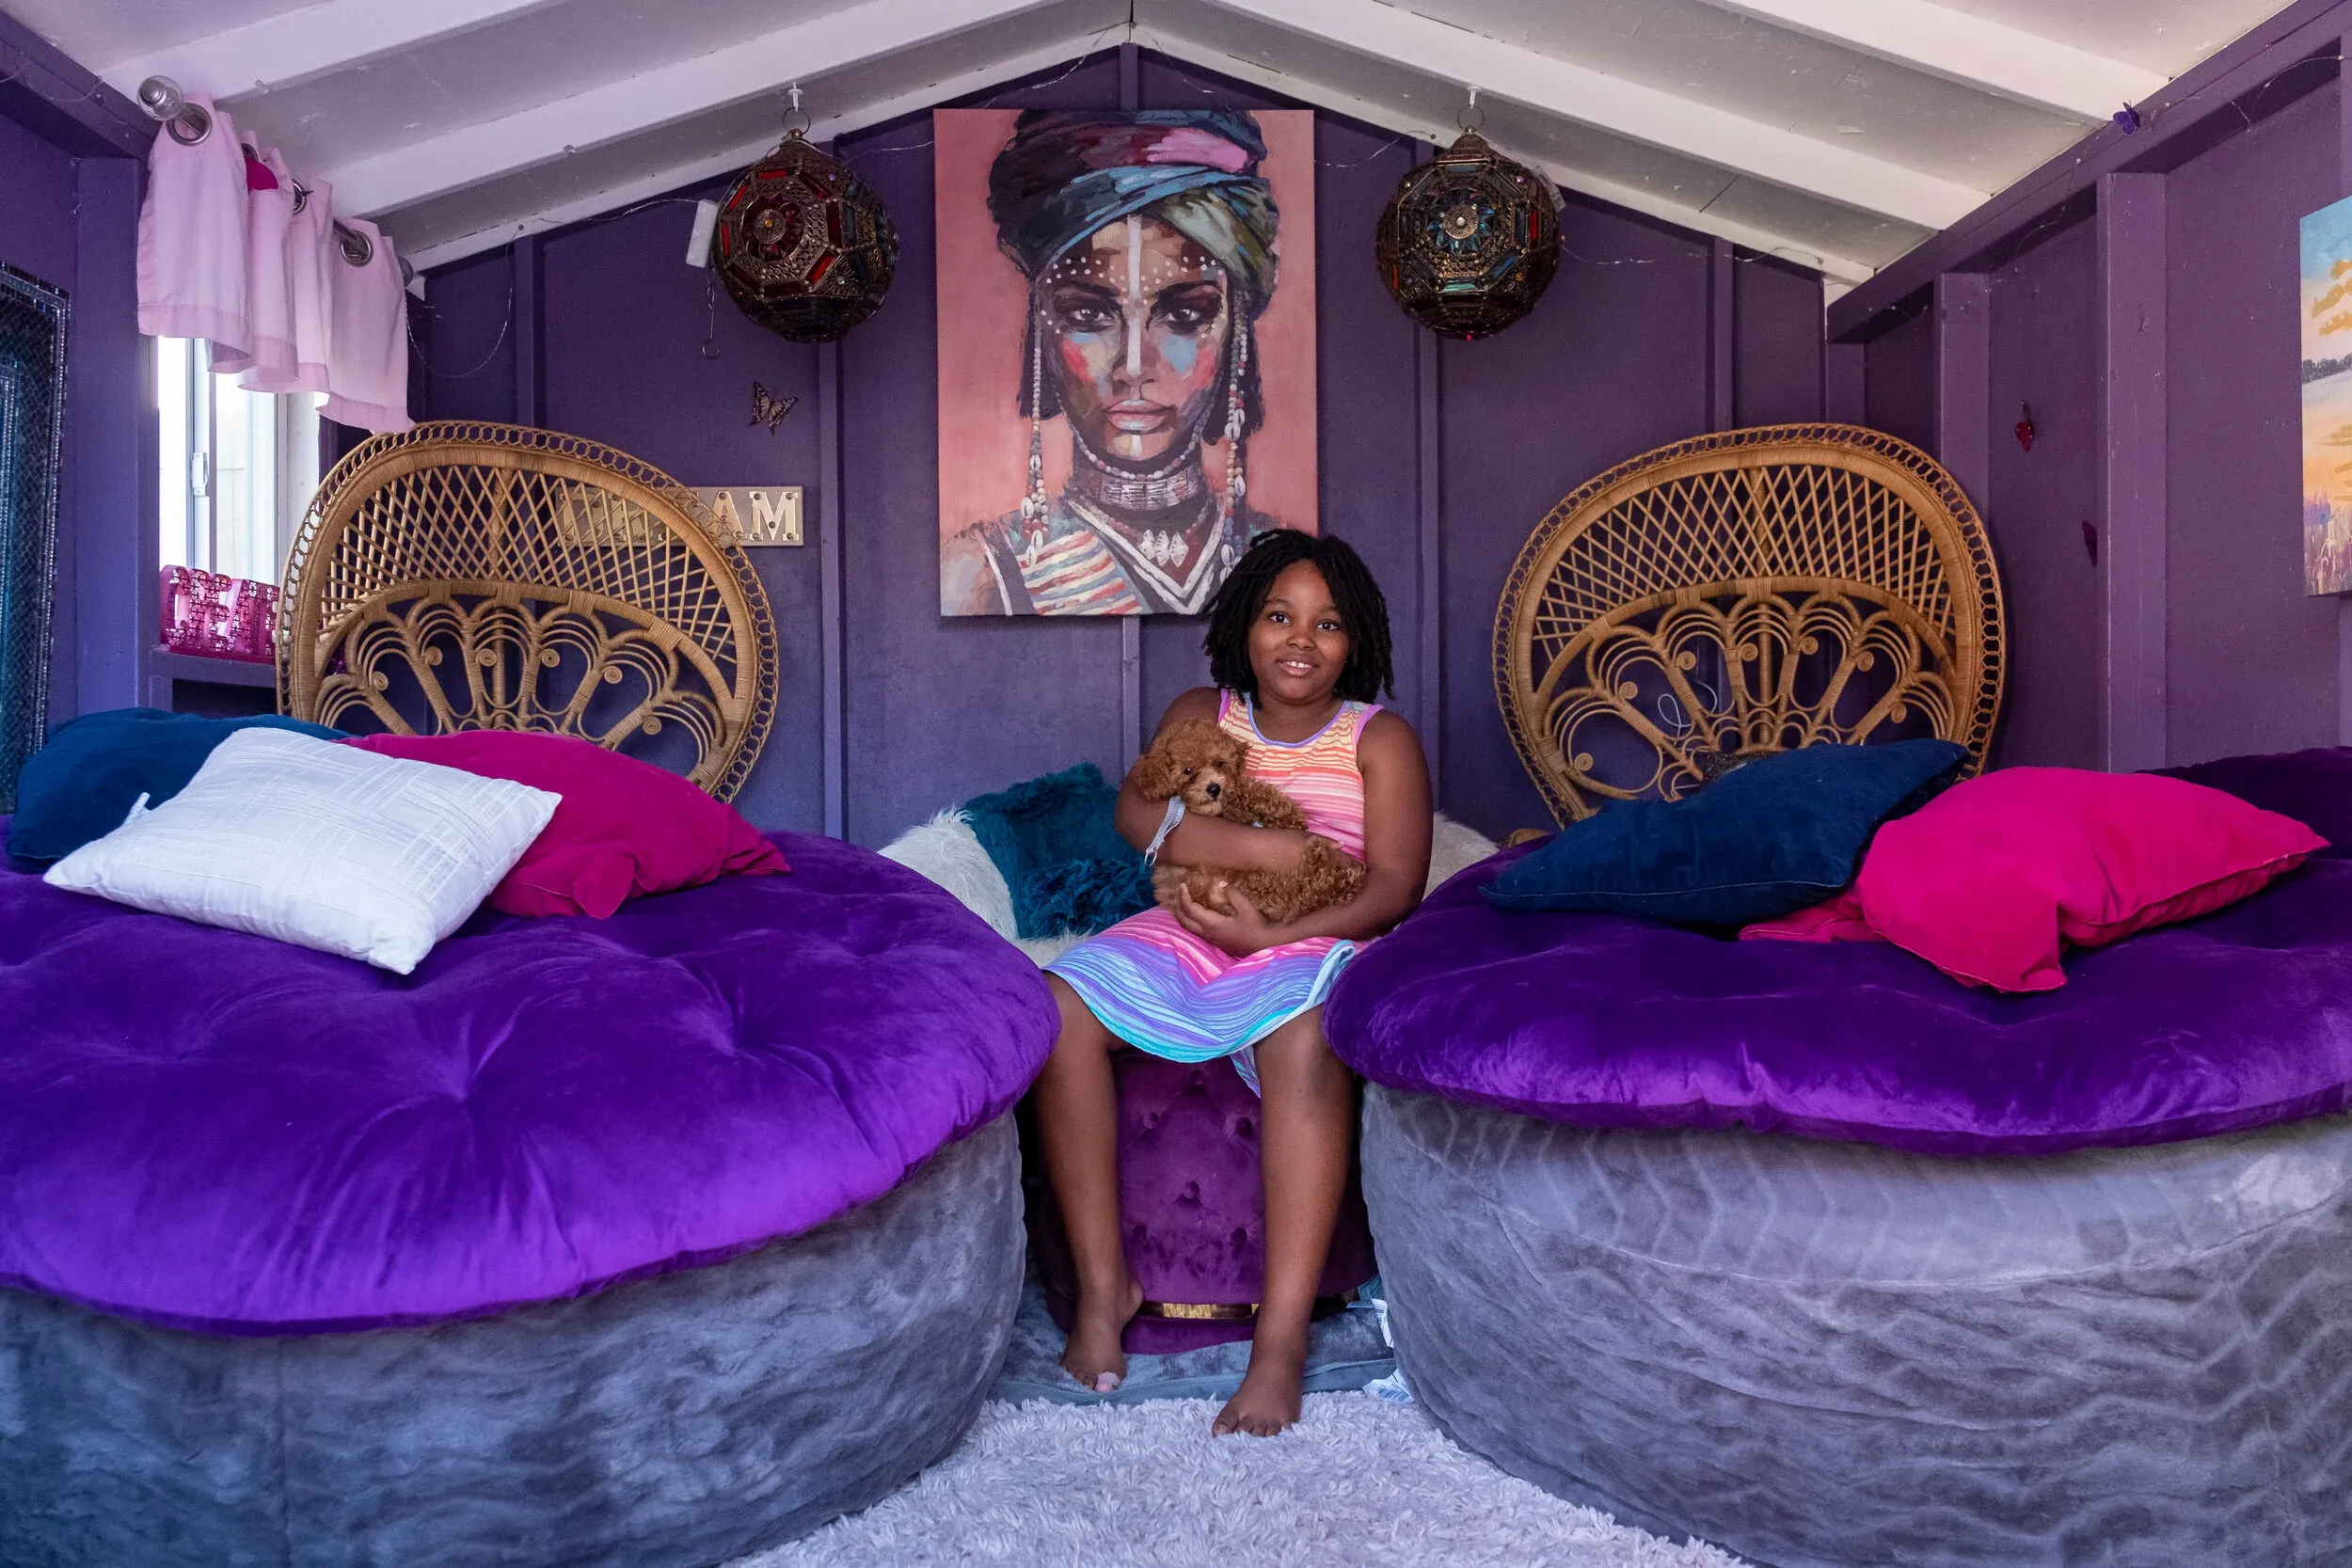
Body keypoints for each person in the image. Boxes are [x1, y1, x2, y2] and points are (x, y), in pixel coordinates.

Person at [1038, 529, 1433, 1435]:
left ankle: (1281, 1339)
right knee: (1059, 1004)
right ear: (1244, 625)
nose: (1302, 638)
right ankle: (1107, 1288)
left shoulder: (1378, 739)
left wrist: (1280, 921)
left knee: (1303, 1033)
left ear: (1357, 640)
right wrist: (1268, 847)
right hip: (1192, 926)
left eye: (1329, 624)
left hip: (1313, 935)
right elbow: (1138, 814)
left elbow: (1393, 885)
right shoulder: (1203, 712)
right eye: (1279, 615)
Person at [943, 110, 1289, 616]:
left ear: (1236, 329)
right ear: (1041, 329)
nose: (1132, 366)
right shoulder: (978, 574)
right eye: (1088, 313)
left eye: (1185, 314)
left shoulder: (1283, 560)